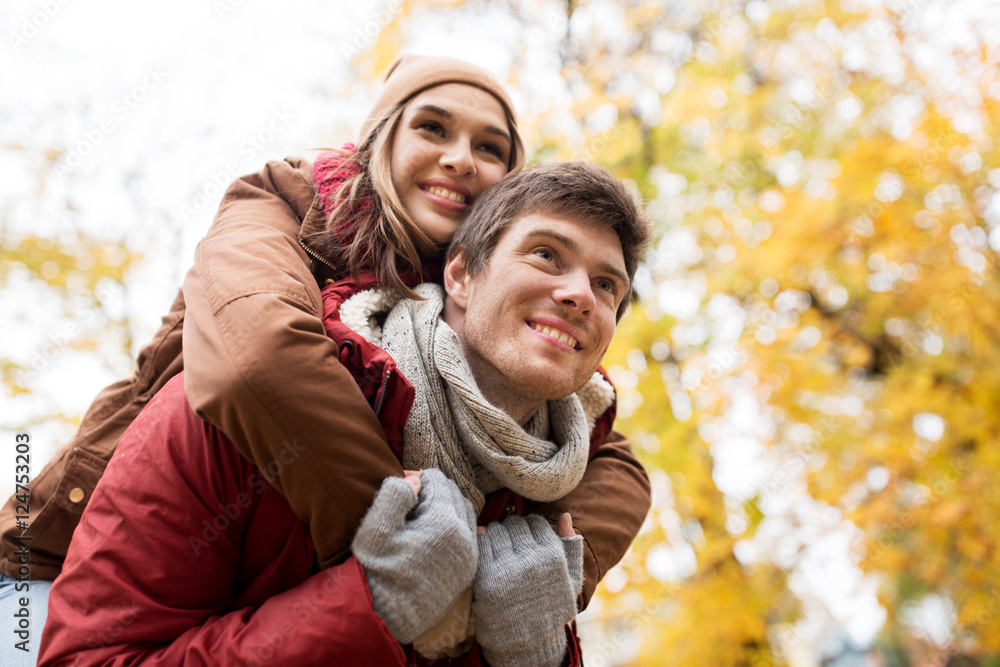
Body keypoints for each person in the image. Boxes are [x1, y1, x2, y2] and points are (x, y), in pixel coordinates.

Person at [1, 54, 650, 660]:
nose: (460, 159)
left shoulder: (496, 327)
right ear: (379, 143)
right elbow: (255, 355)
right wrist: (407, 552)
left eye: (491, 149)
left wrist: (543, 592)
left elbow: (609, 449)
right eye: (432, 128)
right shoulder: (285, 205)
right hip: (56, 561)